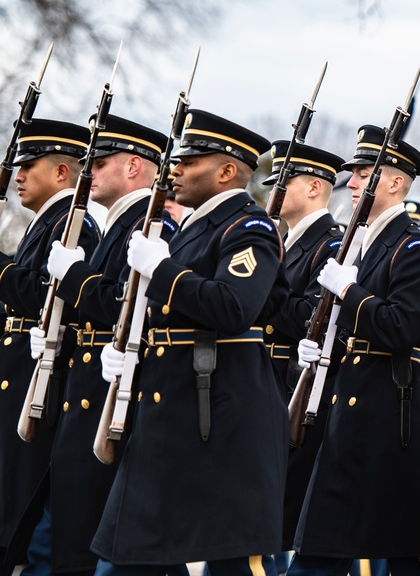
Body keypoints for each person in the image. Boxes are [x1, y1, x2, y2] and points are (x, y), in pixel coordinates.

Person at [91, 109, 287, 576]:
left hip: (217, 416)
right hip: (172, 410)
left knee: (228, 559)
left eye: (190, 161)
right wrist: (125, 355)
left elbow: (232, 306)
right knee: (133, 552)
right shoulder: (198, 228)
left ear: (225, 172)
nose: (175, 168)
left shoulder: (249, 228)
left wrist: (161, 269)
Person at [8, 116, 170, 576]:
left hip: (107, 401)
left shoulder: (146, 225)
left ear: (135, 167)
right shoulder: (122, 224)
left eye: (99, 163)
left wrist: (75, 278)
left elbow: (128, 303)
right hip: (82, 396)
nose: (89, 172)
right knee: (63, 535)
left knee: (85, 541)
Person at [290, 125, 420, 576]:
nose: (351, 183)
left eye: (362, 174)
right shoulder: (362, 243)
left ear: (394, 182)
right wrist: (321, 350)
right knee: (320, 544)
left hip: (387, 412)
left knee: (400, 550)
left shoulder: (411, 247)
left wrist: (350, 291)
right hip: (347, 406)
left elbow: (400, 327)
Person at [0, 120, 101, 572]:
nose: (18, 175)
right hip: (18, 377)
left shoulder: (74, 224)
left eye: (29, 166)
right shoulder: (48, 222)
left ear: (63, 173)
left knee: (22, 515)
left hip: (39, 385)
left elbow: (48, 295)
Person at [256, 140, 345, 566]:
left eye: (284, 183)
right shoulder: (285, 243)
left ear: (313, 188)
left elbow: (313, 319)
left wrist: (266, 278)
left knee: (272, 522)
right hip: (263, 382)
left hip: (291, 386)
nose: (275, 192)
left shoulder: (330, 246)